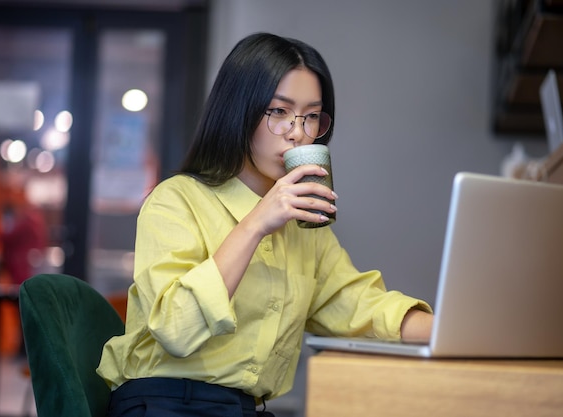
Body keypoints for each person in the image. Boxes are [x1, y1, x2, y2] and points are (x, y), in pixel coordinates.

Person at [97, 32, 433, 417]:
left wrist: (448, 330)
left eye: (311, 116)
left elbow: (357, 304)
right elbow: (175, 328)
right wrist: (256, 222)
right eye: (279, 112)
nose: (297, 132)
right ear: (238, 111)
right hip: (166, 402)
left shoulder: (302, 228)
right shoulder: (175, 200)